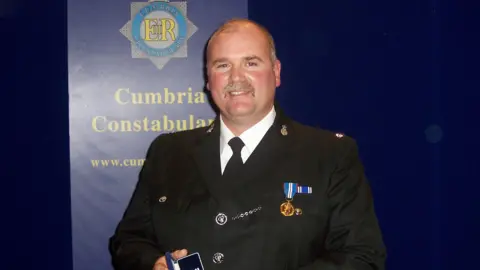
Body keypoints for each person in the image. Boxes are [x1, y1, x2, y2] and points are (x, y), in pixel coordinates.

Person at [108, 18, 386, 270]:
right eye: (223, 65)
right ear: (209, 79)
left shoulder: (329, 155)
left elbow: (361, 256)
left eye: (251, 63)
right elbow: (129, 240)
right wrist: (154, 264)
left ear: (276, 72)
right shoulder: (168, 152)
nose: (236, 78)